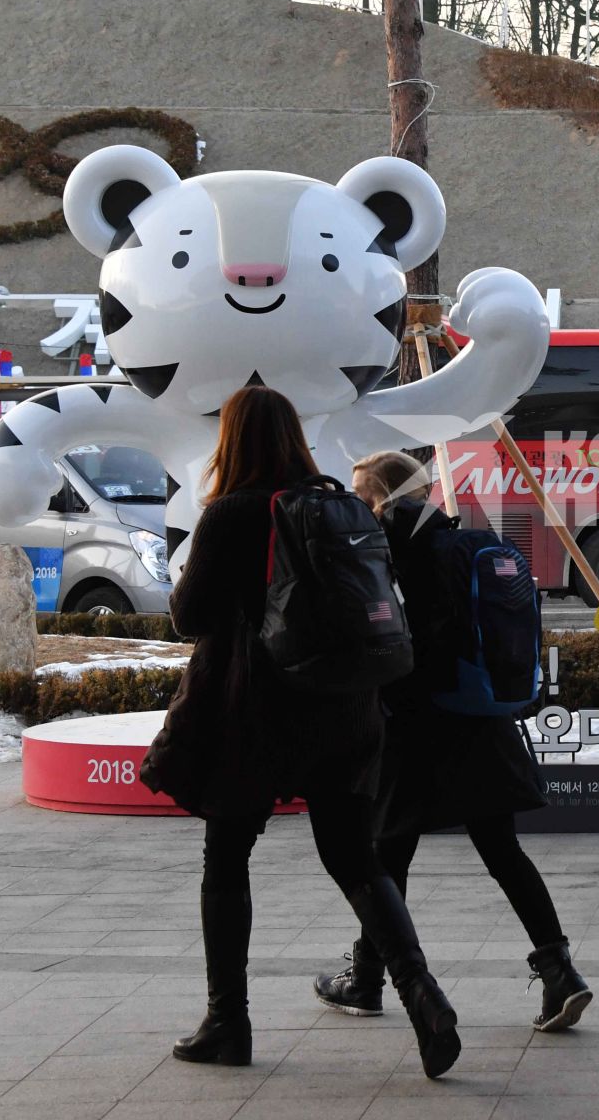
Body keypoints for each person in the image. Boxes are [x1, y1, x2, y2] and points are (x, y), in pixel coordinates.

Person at [139, 387, 462, 1078]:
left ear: (232, 442)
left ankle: (228, 1021)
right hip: (345, 708)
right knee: (356, 860)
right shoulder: (337, 504)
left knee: (226, 859)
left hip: (255, 711)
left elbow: (189, 616)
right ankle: (423, 996)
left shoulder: (230, 513)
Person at [313, 450, 593, 1032]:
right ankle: (560, 972)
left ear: (386, 497)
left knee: (386, 854)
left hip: (418, 727)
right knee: (503, 854)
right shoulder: (464, 541)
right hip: (480, 718)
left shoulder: (395, 549)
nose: (357, 505)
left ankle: (367, 979)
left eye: (363, 494)